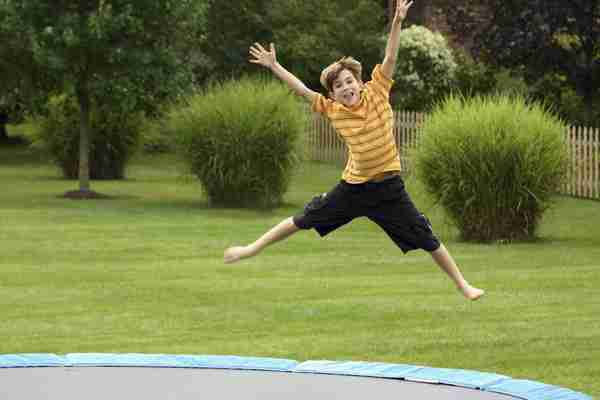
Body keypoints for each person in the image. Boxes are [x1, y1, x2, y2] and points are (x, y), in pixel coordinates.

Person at [224, 0, 484, 301]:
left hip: (389, 191)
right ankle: (249, 249)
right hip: (354, 189)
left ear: (359, 82)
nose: (346, 87)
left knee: (426, 237)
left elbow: (390, 55)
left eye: (349, 81)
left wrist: (398, 21)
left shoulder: (377, 91)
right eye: (339, 86)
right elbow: (302, 90)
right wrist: (274, 66)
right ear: (332, 93)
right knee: (304, 219)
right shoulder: (333, 111)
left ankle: (463, 285)